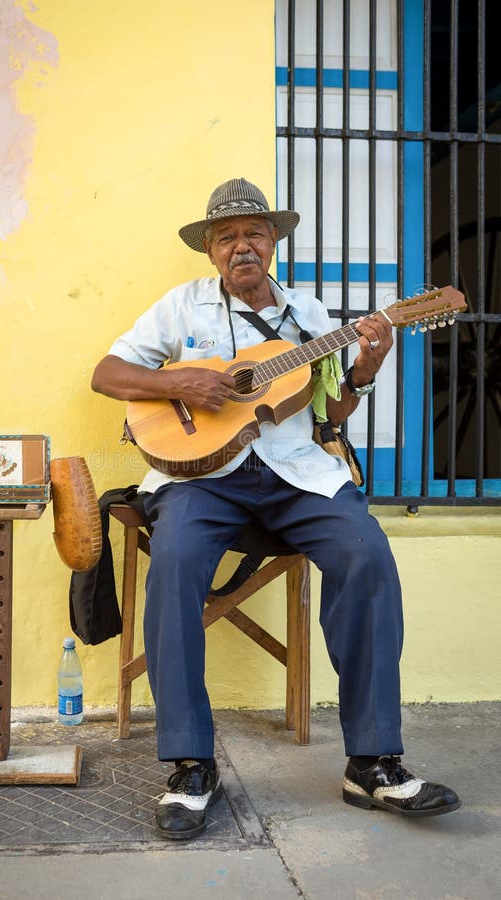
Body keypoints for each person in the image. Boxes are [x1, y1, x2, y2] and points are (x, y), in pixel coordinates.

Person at [91, 177, 460, 840]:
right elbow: (108, 373)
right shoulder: (181, 308)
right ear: (210, 249)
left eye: (254, 234)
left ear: (273, 243)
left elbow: (333, 412)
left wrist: (368, 364)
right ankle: (189, 764)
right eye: (227, 236)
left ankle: (373, 761)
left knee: (366, 554)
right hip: (202, 480)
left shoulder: (311, 318)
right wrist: (178, 381)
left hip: (297, 478)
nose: (242, 247)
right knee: (173, 563)